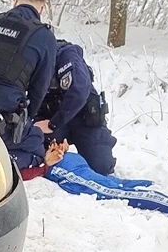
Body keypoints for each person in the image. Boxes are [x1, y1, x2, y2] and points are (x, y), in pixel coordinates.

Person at [25, 141, 168, 217]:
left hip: (60, 165)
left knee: (115, 191)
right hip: (66, 159)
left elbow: (25, 171)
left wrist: (45, 165)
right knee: (118, 184)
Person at [0, 0, 58, 169]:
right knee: (37, 145)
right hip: (5, 117)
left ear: (15, 2)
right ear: (41, 10)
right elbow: (39, 87)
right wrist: (28, 118)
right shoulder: (44, 37)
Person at [36, 39, 118, 175]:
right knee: (44, 162)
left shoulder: (66, 55)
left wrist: (53, 124)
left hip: (83, 118)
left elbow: (79, 92)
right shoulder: (27, 58)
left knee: (101, 167)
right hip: (50, 118)